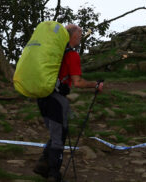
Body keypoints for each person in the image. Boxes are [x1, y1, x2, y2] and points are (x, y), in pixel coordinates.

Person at [34, 23, 104, 181]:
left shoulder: (54, 51)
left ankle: (42, 165)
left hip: (42, 95)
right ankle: (54, 173)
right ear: (73, 36)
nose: (80, 37)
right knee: (59, 135)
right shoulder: (72, 55)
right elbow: (78, 82)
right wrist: (95, 84)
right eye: (79, 34)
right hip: (57, 100)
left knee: (56, 133)